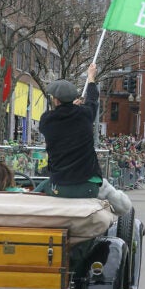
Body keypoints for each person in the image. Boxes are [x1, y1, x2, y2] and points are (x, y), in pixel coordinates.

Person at [39, 62, 102, 198]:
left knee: (40, 187)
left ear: (56, 101)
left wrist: (71, 108)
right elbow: (92, 99)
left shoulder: (47, 120)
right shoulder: (85, 114)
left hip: (60, 186)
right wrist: (91, 77)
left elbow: (63, 118)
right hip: (88, 185)